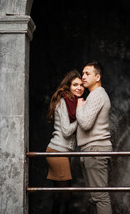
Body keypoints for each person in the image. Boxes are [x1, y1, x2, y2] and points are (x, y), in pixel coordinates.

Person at [45, 70, 85, 214]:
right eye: (75, 85)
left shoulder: (72, 102)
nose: (79, 88)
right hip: (57, 152)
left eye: (81, 85)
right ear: (68, 86)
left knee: (58, 195)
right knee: (67, 195)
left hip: (61, 152)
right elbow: (67, 131)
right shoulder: (63, 102)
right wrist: (81, 116)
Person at [76, 62, 113, 214]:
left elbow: (85, 123)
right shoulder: (93, 95)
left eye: (87, 74)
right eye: (82, 73)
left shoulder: (97, 95)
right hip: (91, 149)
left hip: (95, 150)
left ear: (98, 77)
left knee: (100, 196)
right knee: (95, 196)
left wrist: (79, 106)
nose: (83, 77)